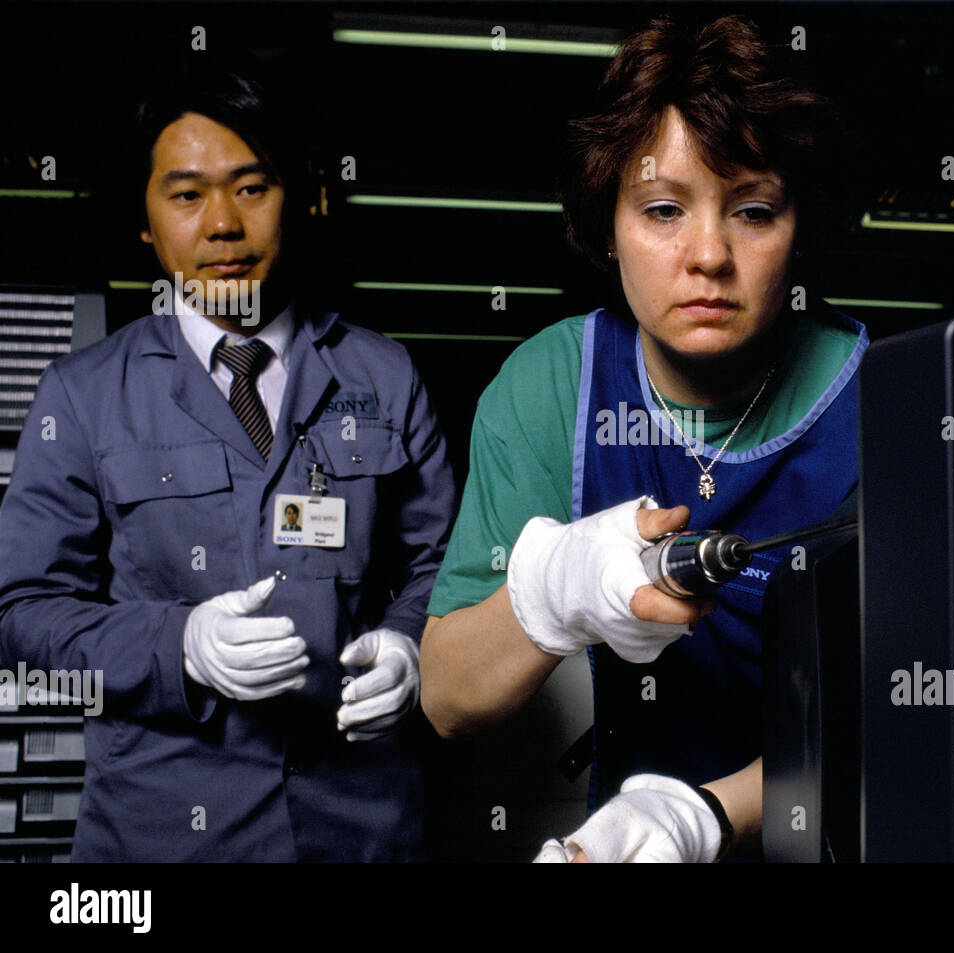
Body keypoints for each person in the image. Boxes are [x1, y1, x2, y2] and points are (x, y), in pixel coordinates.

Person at [420, 15, 865, 862]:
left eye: (754, 209)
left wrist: (701, 813)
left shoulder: (881, 404)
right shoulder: (553, 387)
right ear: (608, 221)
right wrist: (545, 598)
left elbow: (906, 708)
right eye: (663, 210)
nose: (708, 254)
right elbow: (446, 697)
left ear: (800, 224)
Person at [0, 66, 455, 861]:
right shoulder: (82, 395)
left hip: (361, 828)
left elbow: (446, 566)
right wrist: (178, 644)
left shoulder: (383, 376)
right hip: (158, 836)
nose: (222, 225)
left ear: (300, 197)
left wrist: (412, 644)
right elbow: (22, 611)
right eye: (185, 195)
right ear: (144, 219)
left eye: (251, 188)